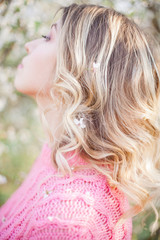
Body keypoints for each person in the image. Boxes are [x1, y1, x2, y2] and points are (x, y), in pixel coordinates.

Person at [0, 3, 160, 239]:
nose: (28, 45)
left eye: (47, 37)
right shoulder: (60, 155)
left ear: (79, 68)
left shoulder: (68, 223)